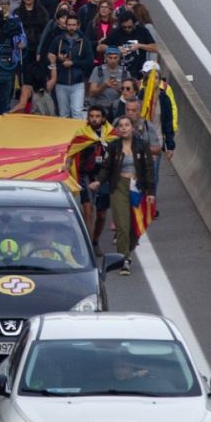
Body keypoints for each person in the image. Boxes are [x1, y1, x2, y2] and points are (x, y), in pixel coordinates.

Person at [90, 114, 154, 275]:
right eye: (121, 126)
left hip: (137, 187)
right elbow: (106, 168)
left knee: (135, 228)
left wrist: (151, 192)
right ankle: (124, 259)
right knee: (122, 226)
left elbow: (148, 169)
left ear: (132, 128)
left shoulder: (141, 145)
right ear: (117, 130)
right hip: (119, 186)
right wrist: (99, 181)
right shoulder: (114, 147)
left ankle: (129, 249)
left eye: (127, 125)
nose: (124, 128)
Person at [76, 105, 116, 252]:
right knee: (88, 209)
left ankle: (95, 241)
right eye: (91, 116)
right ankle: (86, 247)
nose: (94, 119)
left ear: (103, 118)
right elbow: (72, 150)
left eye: (97, 116)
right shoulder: (82, 133)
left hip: (104, 176)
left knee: (101, 214)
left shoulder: (111, 134)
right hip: (86, 174)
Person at [48, 14, 95, 120]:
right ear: (65, 25)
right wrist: (58, 59)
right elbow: (50, 56)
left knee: (77, 112)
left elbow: (90, 61)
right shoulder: (58, 40)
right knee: (63, 113)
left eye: (74, 25)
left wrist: (73, 63)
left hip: (78, 83)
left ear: (78, 25)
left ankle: (77, 136)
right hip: (61, 82)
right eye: (69, 25)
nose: (71, 27)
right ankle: (64, 136)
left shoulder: (84, 41)